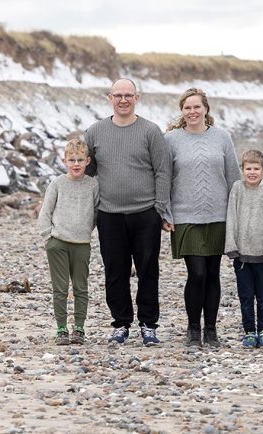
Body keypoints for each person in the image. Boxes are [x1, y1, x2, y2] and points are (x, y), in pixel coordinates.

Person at [86, 78, 171, 346]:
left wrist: (161, 208)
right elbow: (87, 172)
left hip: (145, 213)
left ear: (137, 98)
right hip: (109, 214)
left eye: (128, 95)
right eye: (118, 95)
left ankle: (148, 325)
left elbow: (162, 171)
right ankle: (121, 323)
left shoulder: (150, 131)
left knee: (148, 270)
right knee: (115, 271)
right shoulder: (95, 132)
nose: (123, 100)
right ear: (109, 98)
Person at [163, 88, 240, 348]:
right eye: (187, 108)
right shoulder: (171, 139)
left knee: (213, 273)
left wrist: (237, 213)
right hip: (185, 216)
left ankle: (211, 329)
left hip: (218, 215)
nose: (192, 112)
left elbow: (233, 178)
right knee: (196, 273)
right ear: (182, 111)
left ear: (206, 109)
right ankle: (193, 328)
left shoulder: (222, 137)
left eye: (197, 107)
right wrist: (165, 211)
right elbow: (164, 177)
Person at [38, 138, 99, 346]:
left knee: (81, 287)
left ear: (88, 161)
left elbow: (97, 213)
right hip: (58, 243)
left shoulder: (93, 185)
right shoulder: (57, 183)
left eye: (80, 160)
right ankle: (62, 328)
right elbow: (45, 211)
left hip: (82, 243)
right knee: (60, 288)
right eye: (71, 159)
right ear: (64, 161)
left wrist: (87, 232)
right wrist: (48, 237)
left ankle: (79, 327)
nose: (76, 164)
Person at [225, 150, 263, 349]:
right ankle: (249, 331)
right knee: (245, 295)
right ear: (242, 170)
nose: (252, 172)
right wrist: (231, 246)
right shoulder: (237, 189)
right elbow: (231, 217)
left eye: (256, 169)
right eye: (248, 168)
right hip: (242, 256)